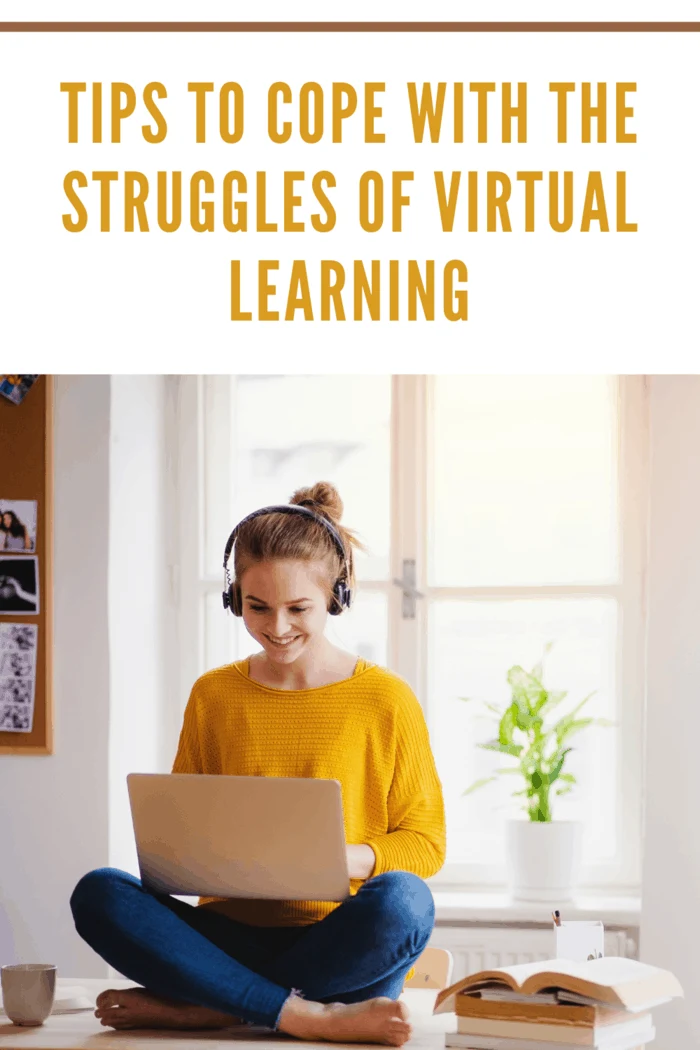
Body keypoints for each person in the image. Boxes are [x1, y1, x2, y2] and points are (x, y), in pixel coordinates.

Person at [70, 482, 446, 1046]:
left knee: (405, 903)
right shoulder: (213, 695)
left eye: (299, 608)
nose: (277, 627)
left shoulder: (385, 699)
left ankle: (213, 1008)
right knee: (98, 893)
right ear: (234, 598)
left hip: (338, 940)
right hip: (227, 937)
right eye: (257, 607)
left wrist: (342, 858)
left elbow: (427, 843)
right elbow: (180, 835)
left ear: (335, 597)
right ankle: (303, 1013)